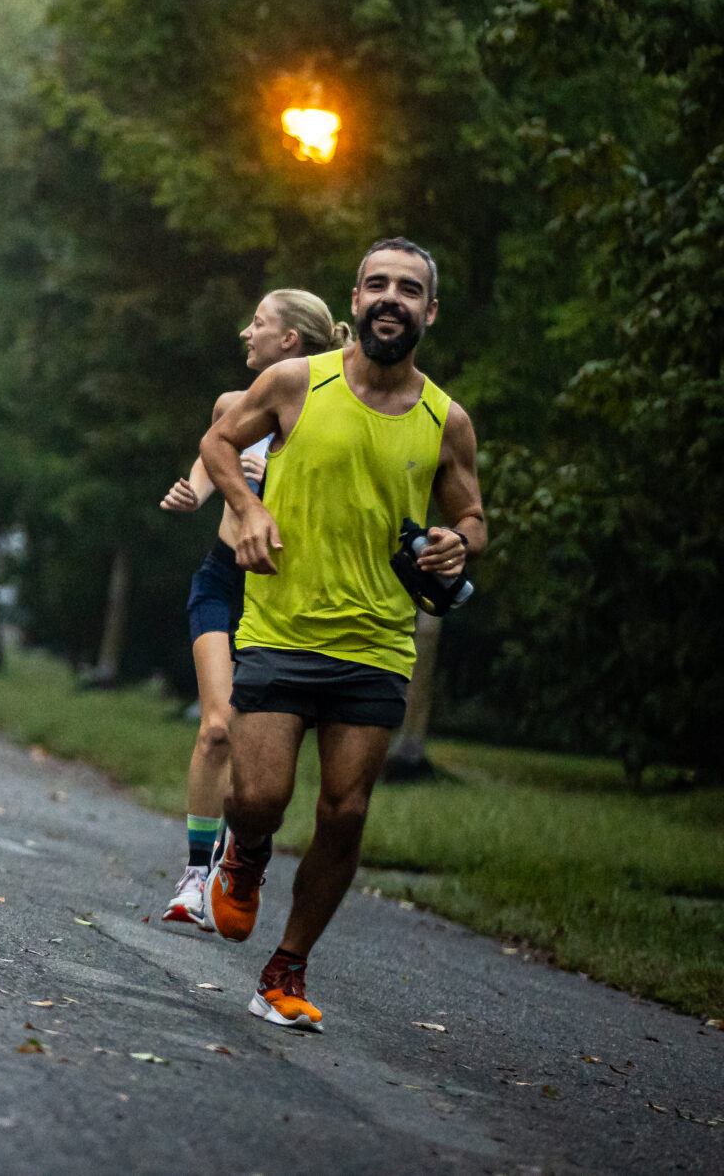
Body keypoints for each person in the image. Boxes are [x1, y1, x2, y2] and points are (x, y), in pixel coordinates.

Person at [200, 238, 486, 1030]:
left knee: (346, 811)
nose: (391, 298)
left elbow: (471, 514)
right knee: (259, 796)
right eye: (377, 284)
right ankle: (246, 851)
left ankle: (287, 966)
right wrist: (250, 509)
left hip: (376, 640)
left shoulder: (444, 419)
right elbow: (219, 442)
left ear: (430, 311)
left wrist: (461, 540)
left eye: (409, 289)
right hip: (282, 625)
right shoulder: (296, 381)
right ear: (354, 299)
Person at [152, 289, 349, 927]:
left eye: (258, 324)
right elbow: (210, 465)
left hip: (283, 598)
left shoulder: (327, 419)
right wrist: (193, 493)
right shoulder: (232, 406)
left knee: (253, 744)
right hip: (221, 584)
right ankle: (193, 875)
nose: (246, 332)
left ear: (290, 340)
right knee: (215, 727)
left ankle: (242, 851)